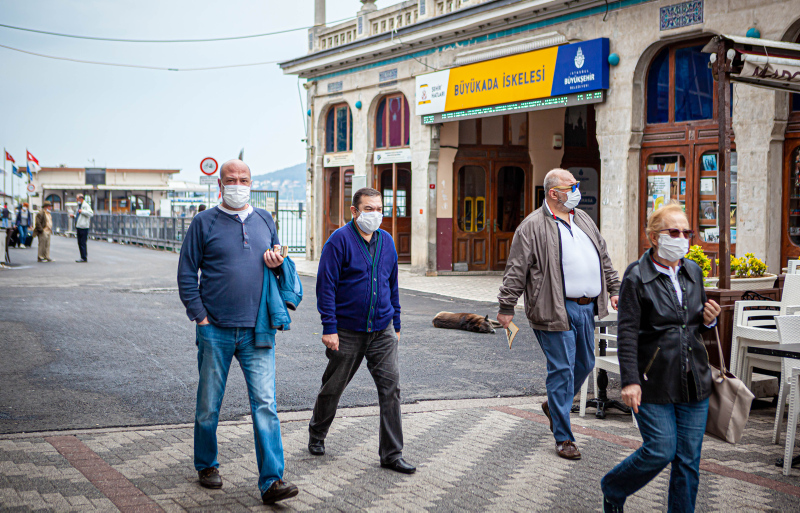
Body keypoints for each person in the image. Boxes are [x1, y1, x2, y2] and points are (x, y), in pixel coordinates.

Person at [177, 159, 298, 505]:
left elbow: (278, 263)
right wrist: (200, 318)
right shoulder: (204, 222)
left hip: (258, 331)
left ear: (251, 182)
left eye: (244, 179)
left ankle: (272, 481)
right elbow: (187, 273)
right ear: (220, 184)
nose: (238, 184)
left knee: (265, 404)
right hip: (214, 329)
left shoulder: (264, 219)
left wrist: (277, 263)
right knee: (208, 404)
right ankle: (207, 464)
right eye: (232, 179)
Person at [601, 203, 721, 513]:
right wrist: (628, 381)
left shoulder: (692, 271)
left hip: (694, 379)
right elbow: (626, 331)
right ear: (654, 237)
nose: (682, 238)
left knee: (688, 461)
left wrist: (709, 319)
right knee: (660, 450)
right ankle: (614, 487)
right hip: (652, 381)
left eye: (686, 232)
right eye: (674, 231)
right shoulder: (636, 275)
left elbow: (690, 321)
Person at [497, 168, 620, 460]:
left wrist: (614, 288)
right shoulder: (531, 226)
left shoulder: (583, 219)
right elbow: (516, 269)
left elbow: (603, 257)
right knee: (562, 369)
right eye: (571, 185)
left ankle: (554, 406)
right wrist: (506, 306)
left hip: (586, 307)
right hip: (552, 307)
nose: (577, 189)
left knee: (585, 362)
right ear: (554, 193)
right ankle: (564, 437)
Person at [309, 187, 415, 474]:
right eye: (368, 209)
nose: (375, 214)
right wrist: (329, 327)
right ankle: (317, 433)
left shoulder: (387, 242)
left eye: (379, 209)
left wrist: (398, 324)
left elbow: (392, 284)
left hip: (382, 330)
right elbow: (326, 287)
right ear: (354, 211)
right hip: (346, 331)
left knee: (391, 389)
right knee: (333, 387)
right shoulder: (338, 241)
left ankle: (392, 454)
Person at [71, 194, 93, 262]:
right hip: (79, 226)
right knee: (79, 242)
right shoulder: (79, 206)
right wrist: (74, 216)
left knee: (82, 242)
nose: (76, 200)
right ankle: (82, 256)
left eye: (77, 199)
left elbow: (91, 213)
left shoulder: (85, 205)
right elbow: (80, 216)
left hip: (84, 227)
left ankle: (84, 257)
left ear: (81, 199)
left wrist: (82, 211)